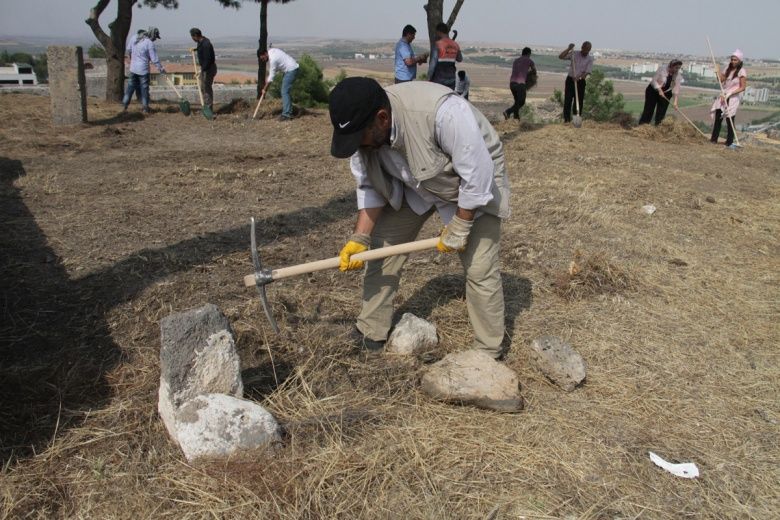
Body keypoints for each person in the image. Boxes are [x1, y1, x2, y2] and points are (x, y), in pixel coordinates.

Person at [328, 77, 511, 359]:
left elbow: (477, 175)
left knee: (479, 268)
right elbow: (368, 185)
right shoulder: (363, 139)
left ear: (382, 118)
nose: (357, 146)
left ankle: (487, 354)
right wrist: (360, 237)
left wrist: (461, 225)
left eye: (359, 138)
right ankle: (371, 329)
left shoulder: (443, 113)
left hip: (473, 182)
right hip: (415, 183)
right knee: (381, 249)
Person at [122, 27, 165, 113]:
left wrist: (132, 59)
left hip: (133, 68)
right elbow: (154, 59)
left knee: (130, 88)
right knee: (144, 89)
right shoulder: (149, 43)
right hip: (143, 70)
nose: (155, 39)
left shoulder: (134, 37)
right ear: (152, 35)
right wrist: (161, 69)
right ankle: (145, 108)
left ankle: (124, 106)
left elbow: (129, 50)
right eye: (155, 37)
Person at [710, 50, 747, 148]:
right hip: (723, 95)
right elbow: (720, 80)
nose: (733, 61)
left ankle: (729, 142)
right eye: (732, 59)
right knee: (718, 117)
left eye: (735, 60)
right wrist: (717, 72)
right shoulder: (727, 68)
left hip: (733, 97)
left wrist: (731, 93)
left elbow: (743, 87)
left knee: (729, 119)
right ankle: (713, 139)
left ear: (739, 61)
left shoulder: (742, 71)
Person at [259, 47, 300, 121]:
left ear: (265, 54)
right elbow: (273, 72)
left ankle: (287, 115)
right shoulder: (271, 51)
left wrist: (265, 89)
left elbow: (271, 78)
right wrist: (267, 80)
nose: (263, 60)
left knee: (284, 91)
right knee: (286, 91)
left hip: (291, 70)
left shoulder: (273, 60)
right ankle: (289, 111)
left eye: (263, 58)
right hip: (291, 68)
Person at [638, 60, 684, 126]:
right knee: (649, 110)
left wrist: (675, 102)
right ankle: (642, 126)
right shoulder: (662, 69)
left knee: (661, 113)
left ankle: (658, 129)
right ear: (671, 66)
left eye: (679, 68)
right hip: (653, 90)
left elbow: (676, 89)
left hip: (667, 93)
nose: (677, 69)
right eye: (676, 67)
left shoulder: (678, 76)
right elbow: (654, 81)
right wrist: (659, 90)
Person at [558, 41, 593, 123]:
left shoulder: (590, 59)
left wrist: (579, 78)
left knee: (578, 102)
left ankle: (576, 122)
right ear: (582, 47)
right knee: (568, 100)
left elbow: (587, 73)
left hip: (580, 82)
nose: (586, 52)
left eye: (588, 50)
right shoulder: (574, 54)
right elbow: (561, 57)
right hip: (570, 80)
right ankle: (566, 120)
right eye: (585, 49)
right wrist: (569, 49)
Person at [504, 47, 536, 120]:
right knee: (521, 102)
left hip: (512, 84)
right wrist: (529, 76)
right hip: (520, 84)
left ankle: (516, 119)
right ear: (529, 54)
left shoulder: (516, 61)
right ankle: (508, 112)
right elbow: (534, 71)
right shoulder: (530, 61)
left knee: (517, 103)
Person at [428, 22, 462, 90]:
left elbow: (432, 64)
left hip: (439, 79)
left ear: (438, 32)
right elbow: (460, 59)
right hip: (452, 79)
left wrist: (428, 78)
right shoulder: (455, 45)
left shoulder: (438, 45)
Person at [189, 28, 217, 111]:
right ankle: (206, 106)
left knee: (206, 88)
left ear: (195, 36)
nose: (192, 39)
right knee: (203, 88)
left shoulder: (206, 44)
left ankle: (208, 109)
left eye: (192, 37)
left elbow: (208, 60)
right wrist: (195, 49)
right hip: (205, 68)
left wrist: (201, 71)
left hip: (208, 69)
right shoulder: (201, 42)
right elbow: (202, 49)